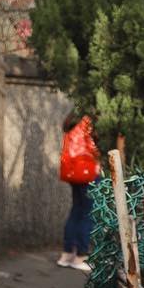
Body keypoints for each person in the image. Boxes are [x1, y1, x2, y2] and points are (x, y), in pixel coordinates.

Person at [57, 112, 102, 272]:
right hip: (88, 174)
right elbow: (94, 150)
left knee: (76, 210)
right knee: (88, 213)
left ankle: (67, 254)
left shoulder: (71, 125)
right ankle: (80, 256)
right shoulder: (87, 125)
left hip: (73, 174)